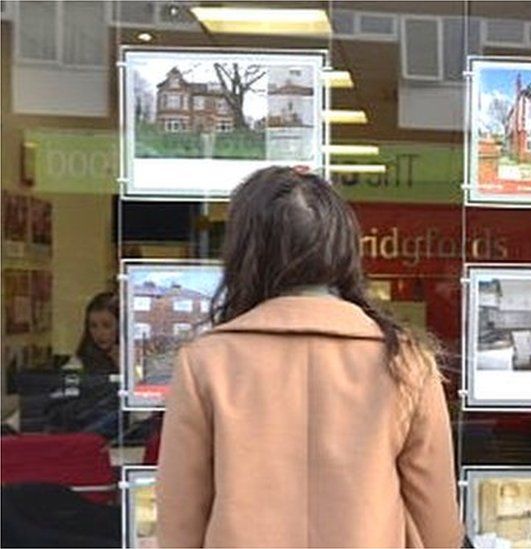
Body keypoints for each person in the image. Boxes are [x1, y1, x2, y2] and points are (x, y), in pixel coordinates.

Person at [156, 167, 462, 548]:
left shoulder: (205, 363)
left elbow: (179, 527)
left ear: (246, 251)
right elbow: (439, 529)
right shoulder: (407, 363)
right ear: (344, 247)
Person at [63, 292, 119, 374]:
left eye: (106, 326)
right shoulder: (78, 363)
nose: (99, 333)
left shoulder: (133, 360)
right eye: (93, 326)